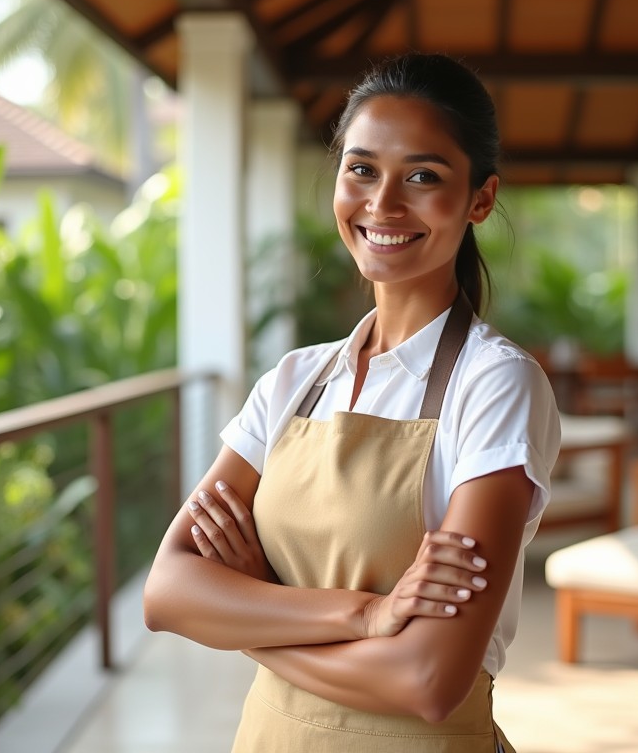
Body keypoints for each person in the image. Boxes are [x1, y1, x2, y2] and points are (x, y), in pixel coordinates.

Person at [143, 52, 561, 753]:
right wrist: (368, 616)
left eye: (423, 176)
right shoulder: (292, 381)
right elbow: (168, 592)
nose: (383, 203)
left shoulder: (496, 386)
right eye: (362, 169)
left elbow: (429, 678)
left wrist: (250, 615)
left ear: (480, 200)